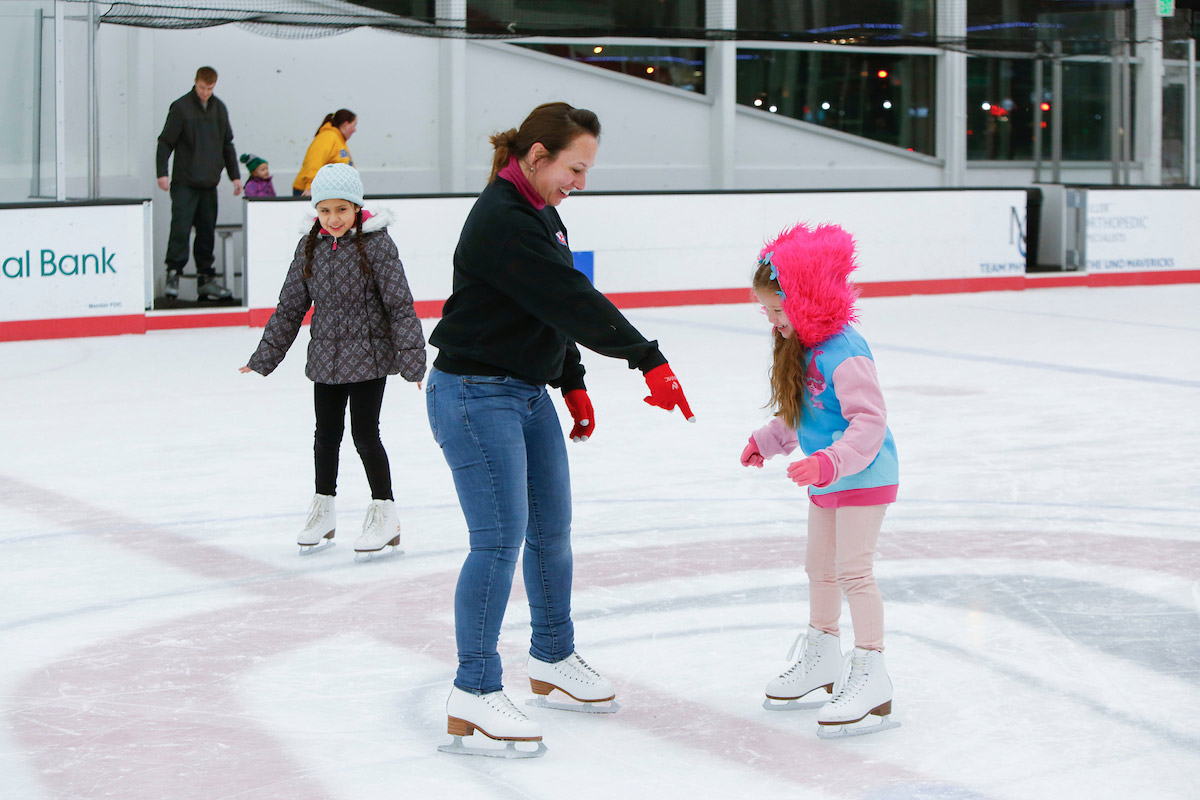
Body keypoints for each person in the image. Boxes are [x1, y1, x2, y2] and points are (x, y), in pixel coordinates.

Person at [426, 101, 695, 758]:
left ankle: (550, 656)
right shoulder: (501, 219)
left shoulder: (544, 213)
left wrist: (570, 378)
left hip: (524, 392)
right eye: (574, 168)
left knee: (552, 532)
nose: (579, 181)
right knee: (496, 543)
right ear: (537, 156)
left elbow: (549, 301)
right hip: (473, 393)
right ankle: (475, 689)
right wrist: (646, 356)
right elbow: (571, 299)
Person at [740, 222, 900, 739]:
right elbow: (804, 412)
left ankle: (872, 671)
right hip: (828, 477)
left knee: (853, 571)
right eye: (766, 310)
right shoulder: (804, 345)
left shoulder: (845, 349)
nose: (772, 319)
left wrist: (830, 462)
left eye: (777, 309)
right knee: (819, 569)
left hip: (864, 475)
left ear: (807, 299)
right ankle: (822, 656)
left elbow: (869, 422)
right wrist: (769, 440)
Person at [240, 164, 426, 557]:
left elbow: (399, 305)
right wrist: (263, 357)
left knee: (364, 434)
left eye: (342, 209)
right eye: (325, 210)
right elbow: (290, 307)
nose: (333, 219)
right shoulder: (311, 245)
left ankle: (385, 512)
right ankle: (323, 509)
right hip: (325, 356)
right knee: (325, 436)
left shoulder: (377, 245)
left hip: (370, 357)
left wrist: (412, 362)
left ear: (357, 208)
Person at [156, 66, 242, 301]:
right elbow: (165, 142)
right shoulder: (181, 108)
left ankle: (206, 278)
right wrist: (162, 172)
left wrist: (235, 175)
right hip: (184, 181)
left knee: (206, 231)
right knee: (181, 228)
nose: (206, 92)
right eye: (203, 88)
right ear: (195, 83)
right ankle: (174, 272)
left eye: (210, 88)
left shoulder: (219, 108)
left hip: (208, 183)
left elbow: (227, 144)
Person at [293, 110, 357, 198]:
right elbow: (315, 161)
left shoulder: (339, 140)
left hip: (329, 192)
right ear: (346, 124)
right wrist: (310, 186)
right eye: (354, 125)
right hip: (313, 191)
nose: (355, 130)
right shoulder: (328, 136)